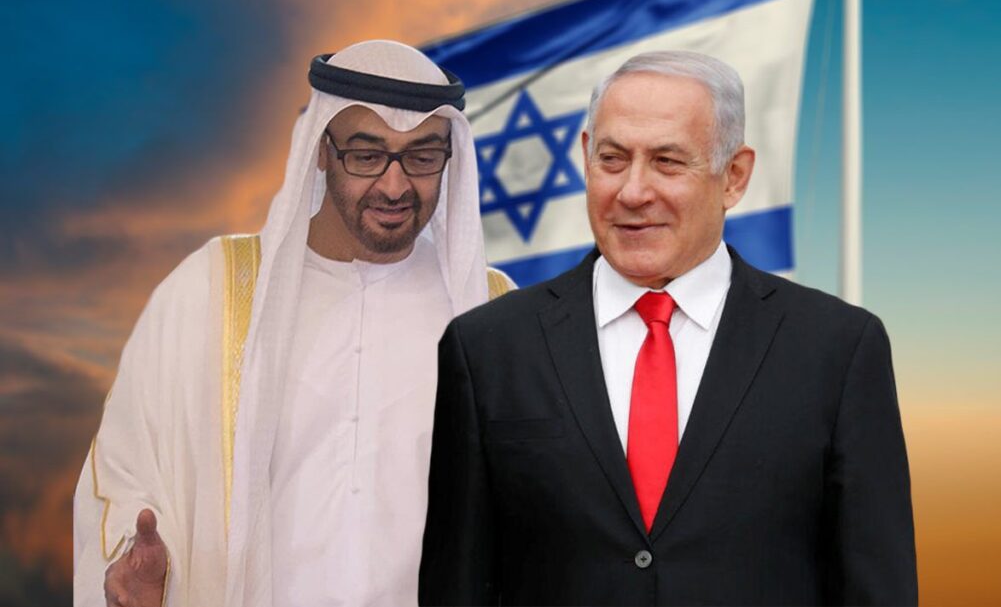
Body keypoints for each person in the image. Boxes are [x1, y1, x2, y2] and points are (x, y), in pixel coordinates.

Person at [419, 51, 917, 606]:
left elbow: (877, 588)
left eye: (667, 162)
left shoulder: (838, 350)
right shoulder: (487, 349)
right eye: (613, 159)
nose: (633, 192)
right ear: (585, 157)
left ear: (734, 177)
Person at [73, 40, 514, 607]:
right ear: (323, 150)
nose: (395, 185)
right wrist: (133, 565)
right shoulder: (212, 291)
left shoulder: (492, 312)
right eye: (366, 155)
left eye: (423, 156)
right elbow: (125, 462)